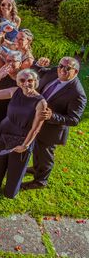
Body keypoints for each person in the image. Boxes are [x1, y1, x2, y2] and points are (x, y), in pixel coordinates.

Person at [0, 68, 48, 198]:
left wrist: (25, 145)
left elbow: (35, 128)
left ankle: (10, 190)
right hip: (5, 130)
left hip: (24, 135)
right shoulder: (15, 91)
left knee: (16, 164)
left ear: (36, 82)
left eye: (30, 80)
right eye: (22, 80)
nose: (26, 83)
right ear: (18, 82)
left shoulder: (41, 102)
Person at [23, 56, 87, 190]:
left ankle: (40, 181)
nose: (62, 69)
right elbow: (36, 74)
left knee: (46, 155)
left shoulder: (77, 93)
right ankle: (36, 168)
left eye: (68, 68)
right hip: (37, 121)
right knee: (37, 148)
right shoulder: (55, 71)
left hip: (51, 130)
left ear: (75, 72)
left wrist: (52, 116)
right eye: (61, 66)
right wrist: (38, 65)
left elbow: (74, 119)